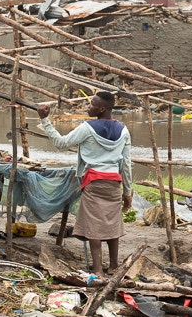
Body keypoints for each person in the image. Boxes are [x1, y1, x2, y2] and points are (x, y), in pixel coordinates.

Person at [37, 92, 132, 279]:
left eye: (92, 104)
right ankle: (113, 265)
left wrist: (45, 120)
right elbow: (126, 164)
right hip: (113, 182)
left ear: (102, 109)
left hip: (93, 181)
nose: (88, 107)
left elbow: (61, 143)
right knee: (112, 222)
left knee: (94, 225)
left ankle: (97, 269)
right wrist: (127, 192)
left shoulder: (87, 128)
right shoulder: (123, 130)